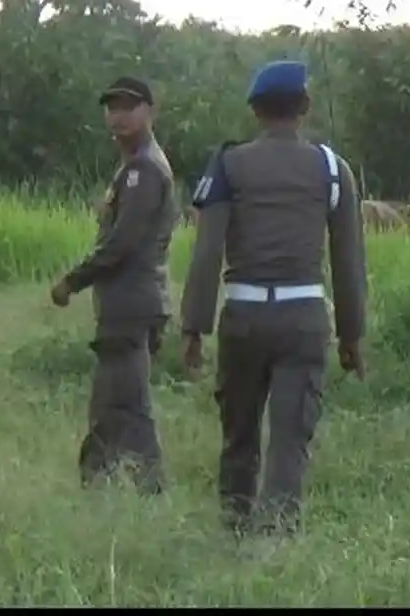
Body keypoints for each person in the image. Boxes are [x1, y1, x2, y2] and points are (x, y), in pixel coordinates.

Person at [179, 59, 368, 536]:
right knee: (289, 439)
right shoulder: (332, 168)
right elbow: (348, 263)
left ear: (256, 110)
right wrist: (352, 335)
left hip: (242, 315)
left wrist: (194, 328)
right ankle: (278, 537)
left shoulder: (228, 164)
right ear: (304, 106)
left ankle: (234, 526)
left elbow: (207, 253)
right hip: (303, 317)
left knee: (238, 433)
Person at [50, 76, 178, 495]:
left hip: (131, 303)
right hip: (130, 303)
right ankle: (99, 486)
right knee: (113, 404)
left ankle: (145, 490)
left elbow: (121, 243)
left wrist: (73, 281)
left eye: (129, 106)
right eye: (112, 107)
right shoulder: (133, 165)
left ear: (150, 111)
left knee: (125, 405)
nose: (119, 115)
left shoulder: (143, 169)